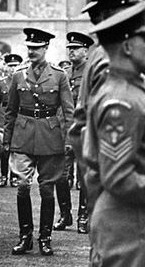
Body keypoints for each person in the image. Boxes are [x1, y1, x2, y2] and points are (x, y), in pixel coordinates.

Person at [84, 2, 145, 266]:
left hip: (138, 222)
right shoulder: (121, 101)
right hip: (131, 231)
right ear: (127, 46)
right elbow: (118, 178)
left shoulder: (128, 89)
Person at [3, 28, 74, 256]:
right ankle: (25, 237)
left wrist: (69, 140)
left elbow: (69, 111)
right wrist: (7, 140)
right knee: (23, 186)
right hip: (23, 137)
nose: (31, 52)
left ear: (45, 48)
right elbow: (11, 111)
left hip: (50, 137)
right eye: (29, 48)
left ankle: (45, 237)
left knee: (46, 189)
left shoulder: (59, 75)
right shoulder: (18, 75)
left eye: (36, 48)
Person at [54, 32, 93, 234]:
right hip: (64, 131)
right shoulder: (64, 74)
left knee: (85, 177)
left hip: (85, 132)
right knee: (61, 176)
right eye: (69, 48)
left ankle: (83, 216)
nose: (71, 51)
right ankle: (65, 214)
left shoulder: (92, 73)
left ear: (86, 51)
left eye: (75, 48)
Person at [0, 53, 22, 188]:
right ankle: (3, 175)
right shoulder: (1, 84)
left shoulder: (23, 82)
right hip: (2, 121)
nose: (13, 68)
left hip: (18, 120)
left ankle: (14, 176)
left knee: (15, 150)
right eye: (10, 66)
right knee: (4, 150)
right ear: (6, 67)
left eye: (15, 66)